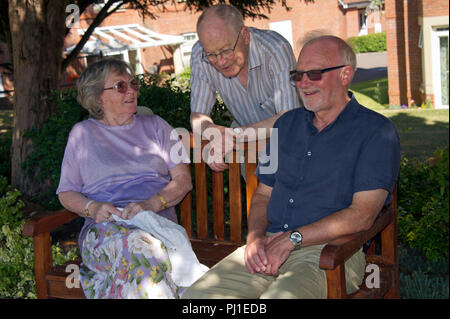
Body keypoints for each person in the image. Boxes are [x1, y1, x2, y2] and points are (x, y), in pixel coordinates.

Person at [182, 35, 401, 299]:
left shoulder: (375, 132)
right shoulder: (285, 126)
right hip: (268, 244)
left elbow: (362, 215)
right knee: (196, 298)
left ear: (345, 75)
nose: (304, 83)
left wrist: (292, 239)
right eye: (298, 75)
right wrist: (254, 238)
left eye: (315, 73)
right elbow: (263, 194)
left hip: (332, 252)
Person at [56, 58, 195, 299]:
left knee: (146, 255)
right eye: (120, 86)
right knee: (143, 248)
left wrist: (151, 204)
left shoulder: (157, 127)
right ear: (98, 97)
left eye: (133, 83)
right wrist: (93, 207)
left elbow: (183, 181)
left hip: (156, 223)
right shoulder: (83, 134)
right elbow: (66, 192)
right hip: (105, 230)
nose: (131, 90)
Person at [190, 4, 301, 172]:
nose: (220, 61)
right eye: (212, 54)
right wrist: (211, 131)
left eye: (226, 50)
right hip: (246, 143)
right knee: (258, 197)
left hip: (292, 143)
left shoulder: (275, 49)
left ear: (245, 35)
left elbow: (289, 118)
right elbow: (198, 116)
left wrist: (234, 135)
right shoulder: (200, 55)